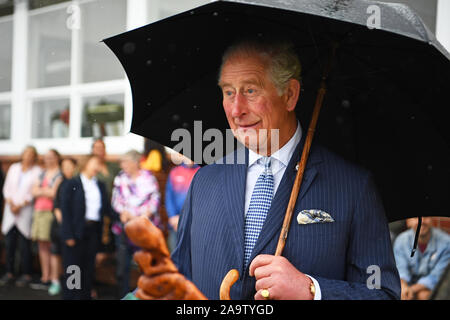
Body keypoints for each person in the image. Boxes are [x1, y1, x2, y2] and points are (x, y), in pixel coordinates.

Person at [171, 38, 401, 300]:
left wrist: (312, 290)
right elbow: (177, 282)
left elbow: (383, 294)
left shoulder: (354, 186)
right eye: (228, 92)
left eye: (250, 91)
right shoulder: (204, 181)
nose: (236, 110)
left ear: (290, 94)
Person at [59, 155, 111, 300]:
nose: (97, 167)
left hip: (93, 231)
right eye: (94, 163)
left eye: (99, 164)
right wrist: (68, 235)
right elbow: (66, 211)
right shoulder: (71, 183)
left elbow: (106, 209)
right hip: (76, 232)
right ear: (85, 164)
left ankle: (84, 296)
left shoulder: (99, 184)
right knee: (73, 269)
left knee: (88, 269)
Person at [112, 150, 161, 298]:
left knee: (146, 266)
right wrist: (124, 212)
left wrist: (138, 215)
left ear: (135, 162)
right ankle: (124, 295)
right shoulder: (120, 178)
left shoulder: (148, 178)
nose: (123, 165)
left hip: (144, 229)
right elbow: (115, 200)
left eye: (125, 162)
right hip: (125, 228)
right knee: (123, 266)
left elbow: (154, 201)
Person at [0, 146, 42, 287]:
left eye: (31, 154)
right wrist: (11, 203)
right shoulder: (13, 168)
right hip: (10, 210)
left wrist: (21, 205)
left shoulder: (37, 171)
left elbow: (33, 192)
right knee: (10, 243)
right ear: (22, 155)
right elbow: (6, 189)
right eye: (26, 153)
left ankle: (26, 273)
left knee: (25, 245)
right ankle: (10, 272)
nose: (28, 156)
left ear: (34, 156)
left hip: (25, 211)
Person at [394, 217, 450, 300]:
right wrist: (404, 287)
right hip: (407, 287)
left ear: (431, 220)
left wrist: (411, 290)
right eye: (416, 218)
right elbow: (401, 270)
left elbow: (437, 276)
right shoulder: (401, 241)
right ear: (408, 222)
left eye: (426, 217)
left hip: (432, 287)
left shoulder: (446, 243)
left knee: (423, 295)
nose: (422, 221)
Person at [30, 149, 63, 290]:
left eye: (51, 157)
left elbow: (54, 193)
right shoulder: (42, 173)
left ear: (57, 158)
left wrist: (41, 191)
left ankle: (54, 277)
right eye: (46, 157)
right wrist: (45, 191)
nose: (48, 160)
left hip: (50, 212)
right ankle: (45, 276)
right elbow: (33, 191)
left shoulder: (59, 174)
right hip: (39, 211)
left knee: (51, 245)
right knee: (41, 244)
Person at [48, 158, 77, 296]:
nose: (67, 169)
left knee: (72, 259)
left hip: (72, 227)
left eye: (69, 166)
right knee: (56, 253)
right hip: (59, 225)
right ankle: (55, 281)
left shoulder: (78, 182)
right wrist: (61, 219)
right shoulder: (60, 183)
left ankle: (73, 286)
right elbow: (56, 204)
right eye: (64, 166)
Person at [165, 155, 199, 251]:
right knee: (175, 254)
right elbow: (169, 197)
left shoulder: (201, 171)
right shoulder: (174, 172)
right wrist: (173, 216)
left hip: (194, 222)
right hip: (176, 222)